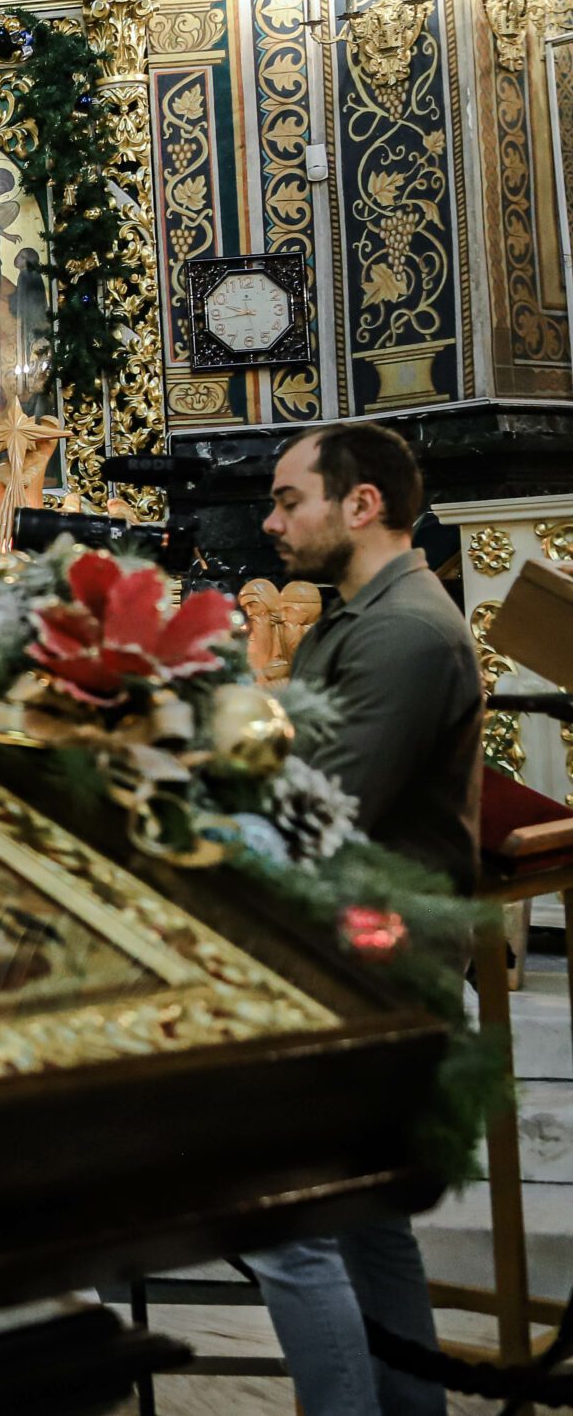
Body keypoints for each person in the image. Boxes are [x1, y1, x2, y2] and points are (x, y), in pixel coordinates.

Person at [244, 420, 479, 1416]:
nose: (270, 522)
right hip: (348, 945)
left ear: (362, 503)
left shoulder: (403, 633)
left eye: (288, 500)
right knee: (366, 1225)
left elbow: (318, 812)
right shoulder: (353, 619)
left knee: (286, 1225)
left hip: (372, 957)